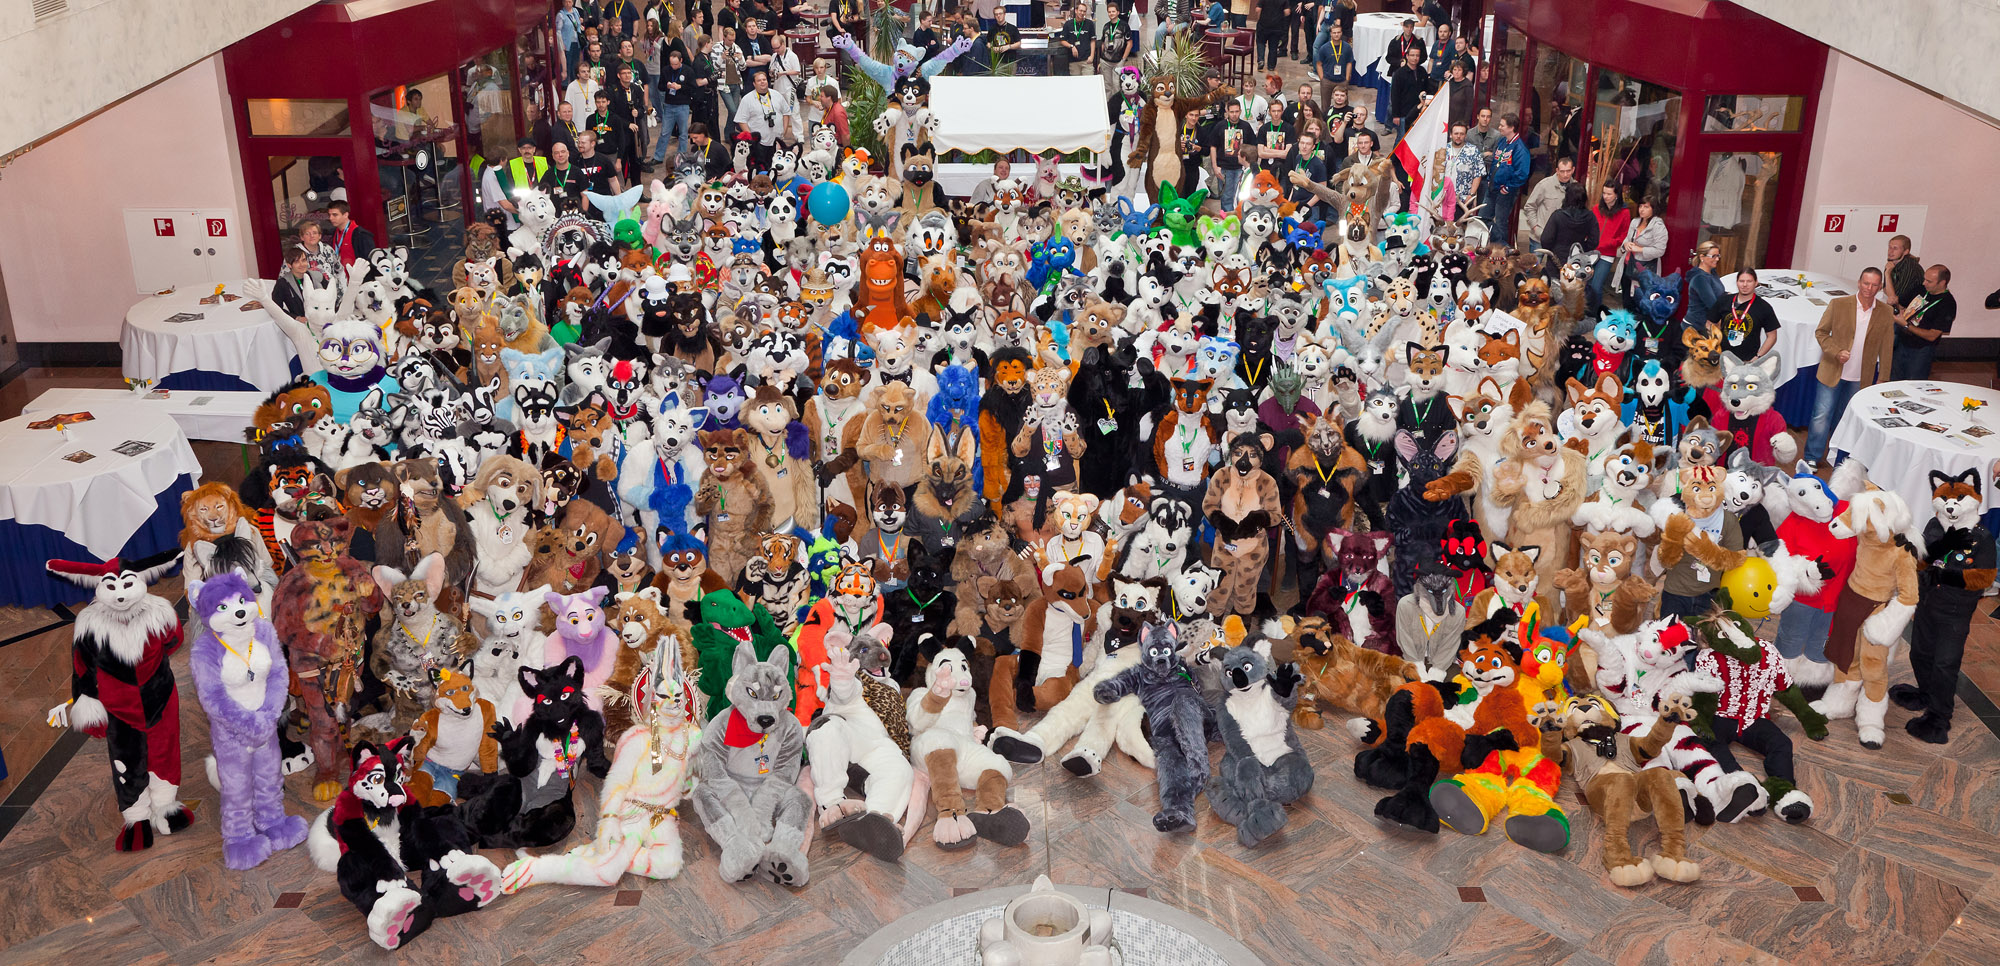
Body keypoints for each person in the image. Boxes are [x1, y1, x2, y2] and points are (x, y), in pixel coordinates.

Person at [1806, 267, 1896, 467]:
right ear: (1859, 282)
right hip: (1832, 370)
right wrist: (1836, 351)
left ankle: (1839, 459)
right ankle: (1812, 457)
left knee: (1846, 420)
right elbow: (1821, 333)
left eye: (1874, 285)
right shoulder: (1838, 304)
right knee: (1821, 416)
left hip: (1861, 377)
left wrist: (1883, 377)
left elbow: (1887, 346)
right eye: (1866, 283)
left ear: (1880, 287)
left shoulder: (1886, 312)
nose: (1869, 289)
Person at [1890, 265, 1957, 381]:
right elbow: (1901, 304)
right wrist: (1898, 308)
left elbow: (1933, 335)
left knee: (1913, 383)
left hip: (1921, 350)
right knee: (1894, 379)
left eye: (1929, 281)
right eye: (1924, 279)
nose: (1924, 283)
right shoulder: (1920, 289)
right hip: (1901, 343)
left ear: (1942, 283)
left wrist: (1906, 325)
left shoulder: (1948, 304)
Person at [1709, 268, 1780, 363]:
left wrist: (1757, 357)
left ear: (1756, 283)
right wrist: (1714, 344)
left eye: (1749, 281)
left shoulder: (1764, 307)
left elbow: (1772, 336)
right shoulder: (1724, 301)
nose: (1745, 285)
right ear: (1737, 282)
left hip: (1747, 361)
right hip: (1722, 357)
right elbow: (1709, 323)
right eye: (1741, 281)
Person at [481, 139, 550, 226]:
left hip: (539, 210)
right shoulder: (493, 176)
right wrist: (526, 213)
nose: (527, 150)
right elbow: (505, 204)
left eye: (529, 148)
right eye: (524, 148)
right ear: (502, 160)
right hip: (506, 221)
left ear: (534, 149)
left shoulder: (490, 173)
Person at [1585, 184, 1629, 313]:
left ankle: (1596, 313)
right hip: (1592, 251)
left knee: (1596, 286)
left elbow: (1624, 235)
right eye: (1604, 193)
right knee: (1587, 284)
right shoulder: (1596, 209)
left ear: (1617, 195)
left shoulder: (1624, 213)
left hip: (1607, 254)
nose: (1605, 197)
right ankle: (1585, 311)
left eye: (1609, 194)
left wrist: (1611, 243)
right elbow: (1589, 228)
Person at [1486, 114, 1529, 244]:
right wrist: (1489, 178)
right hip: (1492, 187)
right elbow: (1495, 162)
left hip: (1505, 192)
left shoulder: (1520, 148)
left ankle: (1500, 251)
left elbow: (1522, 173)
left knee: (1500, 223)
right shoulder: (1502, 141)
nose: (1499, 128)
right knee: (1483, 218)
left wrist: (1508, 187)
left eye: (1502, 125)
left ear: (1511, 127)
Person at [1618, 193, 1667, 304]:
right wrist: (1626, 244)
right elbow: (1627, 238)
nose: (1642, 209)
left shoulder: (1658, 226)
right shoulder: (1635, 221)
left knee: (1640, 299)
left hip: (1644, 267)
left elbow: (1660, 250)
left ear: (1653, 209)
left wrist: (1639, 249)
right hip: (1628, 264)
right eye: (1640, 206)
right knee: (1626, 298)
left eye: (1646, 207)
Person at [1538, 182, 1598, 267]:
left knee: (1553, 279)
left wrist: (1554, 249)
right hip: (1577, 260)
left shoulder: (1558, 215)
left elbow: (1545, 239)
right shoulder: (1590, 217)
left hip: (1556, 258)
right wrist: (1582, 248)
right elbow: (1594, 241)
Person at [1517, 155, 1573, 245]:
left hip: (1561, 240)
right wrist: (1536, 228)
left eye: (1568, 171)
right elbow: (1529, 207)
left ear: (1573, 170)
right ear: (1557, 171)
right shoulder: (1544, 185)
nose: (1565, 175)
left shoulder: (1576, 187)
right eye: (1562, 171)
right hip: (1539, 238)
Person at [734, 69, 798, 144]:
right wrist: (751, 138)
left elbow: (786, 113)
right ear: (754, 84)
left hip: (777, 141)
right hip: (758, 142)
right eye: (759, 80)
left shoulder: (777, 95)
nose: (762, 82)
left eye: (764, 79)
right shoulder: (747, 99)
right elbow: (741, 120)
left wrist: (784, 131)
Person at [654, 47, 694, 163]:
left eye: (676, 64)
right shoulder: (666, 70)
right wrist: (666, 86)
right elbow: (660, 86)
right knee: (665, 132)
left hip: (683, 105)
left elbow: (693, 88)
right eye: (672, 64)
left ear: (681, 61)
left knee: (683, 133)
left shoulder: (688, 71)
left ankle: (681, 156)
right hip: (669, 105)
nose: (673, 66)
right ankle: (658, 157)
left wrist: (680, 87)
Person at [1387, 46, 1429, 141]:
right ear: (1407, 56)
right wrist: (1396, 115)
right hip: (1403, 114)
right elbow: (1394, 95)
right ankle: (1395, 156)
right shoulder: (1399, 74)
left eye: (1417, 55)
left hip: (1419, 111)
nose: (1415, 58)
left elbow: (1427, 89)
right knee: (1401, 139)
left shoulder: (1422, 71)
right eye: (1412, 55)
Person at [1684, 240, 1726, 331]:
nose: (1717, 259)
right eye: (1713, 256)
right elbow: (1713, 305)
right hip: (1695, 328)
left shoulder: (1712, 273)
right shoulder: (1700, 278)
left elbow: (1719, 294)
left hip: (1706, 326)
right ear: (1702, 257)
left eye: (1718, 256)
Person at [271, 244, 320, 321]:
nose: (302, 265)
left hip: (320, 320)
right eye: (297, 262)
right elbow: (275, 309)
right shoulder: (283, 283)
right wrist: (296, 318)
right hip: (300, 325)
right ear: (289, 265)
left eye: (303, 260)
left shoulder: (317, 276)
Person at [1442, 122, 1480, 218]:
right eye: (1456, 133)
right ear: (1450, 134)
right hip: (1443, 198)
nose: (1458, 136)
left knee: (1459, 230)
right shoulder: (1443, 150)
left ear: (1465, 135)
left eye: (1462, 134)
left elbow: (1478, 174)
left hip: (1463, 200)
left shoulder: (1473, 151)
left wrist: (1471, 195)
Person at [573, 129, 623, 202]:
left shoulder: (604, 160)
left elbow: (613, 180)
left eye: (583, 143)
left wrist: (619, 198)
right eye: (579, 142)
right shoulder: (574, 161)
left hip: (603, 200)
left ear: (592, 144)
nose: (580, 145)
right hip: (584, 201)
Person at [1314, 18, 1355, 105]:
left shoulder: (1347, 47)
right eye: (1334, 33)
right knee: (1325, 106)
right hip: (1327, 80)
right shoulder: (1324, 48)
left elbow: (1349, 63)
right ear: (1331, 34)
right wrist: (1322, 79)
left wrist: (1347, 79)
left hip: (1342, 80)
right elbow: (1319, 64)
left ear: (1341, 33)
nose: (1336, 34)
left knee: (1343, 105)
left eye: (1338, 32)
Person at [1881, 233, 1924, 312]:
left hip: (1910, 312)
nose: (1890, 251)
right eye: (1889, 247)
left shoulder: (1911, 267)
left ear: (1906, 252)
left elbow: (1893, 299)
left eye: (1895, 248)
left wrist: (1887, 274)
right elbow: (1885, 289)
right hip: (1898, 308)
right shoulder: (1891, 263)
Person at [325, 201, 375, 267]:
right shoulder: (334, 233)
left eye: (335, 215)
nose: (330, 218)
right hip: (341, 274)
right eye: (329, 215)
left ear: (346, 215)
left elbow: (369, 261)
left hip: (357, 275)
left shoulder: (361, 234)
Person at [540, 140, 584, 214]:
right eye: (556, 153)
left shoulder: (577, 172)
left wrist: (583, 214)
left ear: (568, 153)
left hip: (575, 216)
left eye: (563, 152)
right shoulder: (548, 174)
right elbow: (541, 195)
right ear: (553, 156)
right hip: (555, 217)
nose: (560, 155)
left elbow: (585, 196)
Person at [295, 220, 341, 288]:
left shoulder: (328, 249)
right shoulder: (295, 253)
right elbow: (286, 278)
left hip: (333, 294)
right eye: (307, 233)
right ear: (302, 237)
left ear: (320, 236)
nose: (312, 236)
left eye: (315, 233)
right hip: (311, 296)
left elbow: (340, 270)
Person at [803, 57, 839, 125]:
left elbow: (838, 100)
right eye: (816, 68)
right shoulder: (810, 81)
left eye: (821, 67)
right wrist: (813, 102)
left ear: (825, 68)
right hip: (814, 118)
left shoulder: (833, 82)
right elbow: (807, 98)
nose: (819, 70)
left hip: (829, 117)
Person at [1254, 0, 1287, 71]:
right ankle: (1271, 66)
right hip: (1277, 26)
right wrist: (1280, 16)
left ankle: (1261, 60)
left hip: (1263, 25)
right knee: (1273, 47)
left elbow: (1258, 9)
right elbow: (1287, 11)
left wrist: (1259, 18)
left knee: (1261, 43)